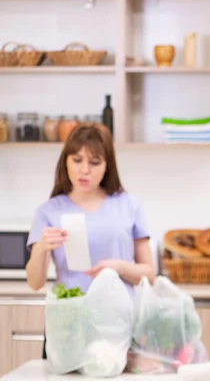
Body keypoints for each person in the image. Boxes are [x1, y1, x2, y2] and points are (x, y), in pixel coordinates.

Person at [25, 122, 156, 359]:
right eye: (77, 160)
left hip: (119, 324)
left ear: (107, 166)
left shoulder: (128, 206)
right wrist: (41, 249)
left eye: (94, 162)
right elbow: (35, 282)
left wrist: (117, 267)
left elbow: (149, 274)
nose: (84, 170)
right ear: (65, 161)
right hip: (68, 326)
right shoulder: (48, 212)